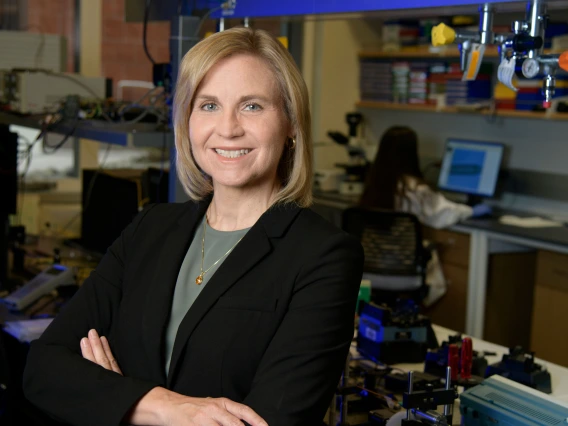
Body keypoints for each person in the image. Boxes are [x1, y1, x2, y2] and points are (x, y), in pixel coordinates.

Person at [23, 27, 364, 426]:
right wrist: (163, 407)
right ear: (187, 121)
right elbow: (43, 368)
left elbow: (273, 421)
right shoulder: (151, 228)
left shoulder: (323, 256)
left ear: (290, 124)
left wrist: (112, 397)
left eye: (252, 106)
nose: (228, 128)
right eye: (208, 106)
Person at [359, 126, 491, 229]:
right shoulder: (415, 188)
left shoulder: (374, 183)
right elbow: (442, 214)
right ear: (411, 154)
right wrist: (470, 211)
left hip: (374, 256)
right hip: (403, 258)